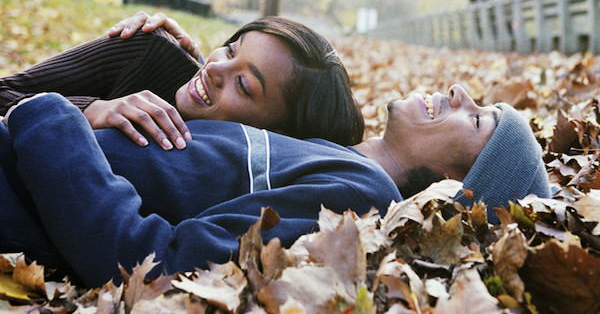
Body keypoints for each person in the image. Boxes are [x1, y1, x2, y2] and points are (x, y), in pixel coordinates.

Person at [0, 83, 550, 288]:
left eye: (477, 120)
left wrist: (51, 118)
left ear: (454, 186)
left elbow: (165, 266)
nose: (459, 92)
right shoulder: (337, 154)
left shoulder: (360, 202)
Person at [0, 13, 364, 148]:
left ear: (279, 135)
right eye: (231, 49)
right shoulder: (146, 49)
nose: (214, 68)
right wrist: (93, 111)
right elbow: (5, 92)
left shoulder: (235, 168)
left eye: (243, 85)